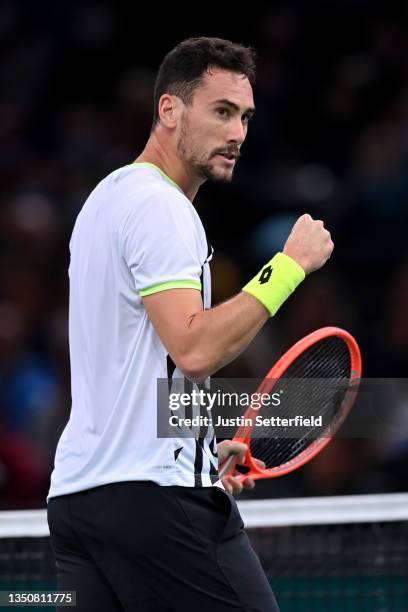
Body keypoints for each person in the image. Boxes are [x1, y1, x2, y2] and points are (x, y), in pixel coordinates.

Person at [47, 37, 333, 611]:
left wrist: (198, 444)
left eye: (245, 118)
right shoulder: (163, 207)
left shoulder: (105, 200)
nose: (238, 134)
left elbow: (136, 367)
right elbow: (195, 348)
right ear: (170, 111)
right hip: (154, 503)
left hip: (80, 502)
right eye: (222, 112)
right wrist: (289, 267)